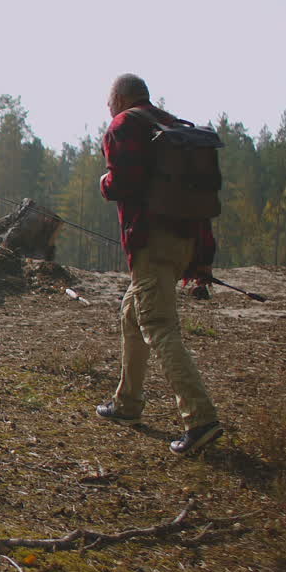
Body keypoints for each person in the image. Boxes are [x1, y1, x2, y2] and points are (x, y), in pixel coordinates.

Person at [96, 73, 224, 456]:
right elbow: (196, 198)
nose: (108, 108)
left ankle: (200, 419)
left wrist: (104, 182)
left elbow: (124, 183)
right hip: (186, 241)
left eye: (108, 101)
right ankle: (127, 405)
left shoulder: (124, 126)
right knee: (132, 313)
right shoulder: (171, 126)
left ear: (119, 98)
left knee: (159, 327)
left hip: (152, 243)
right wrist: (201, 258)